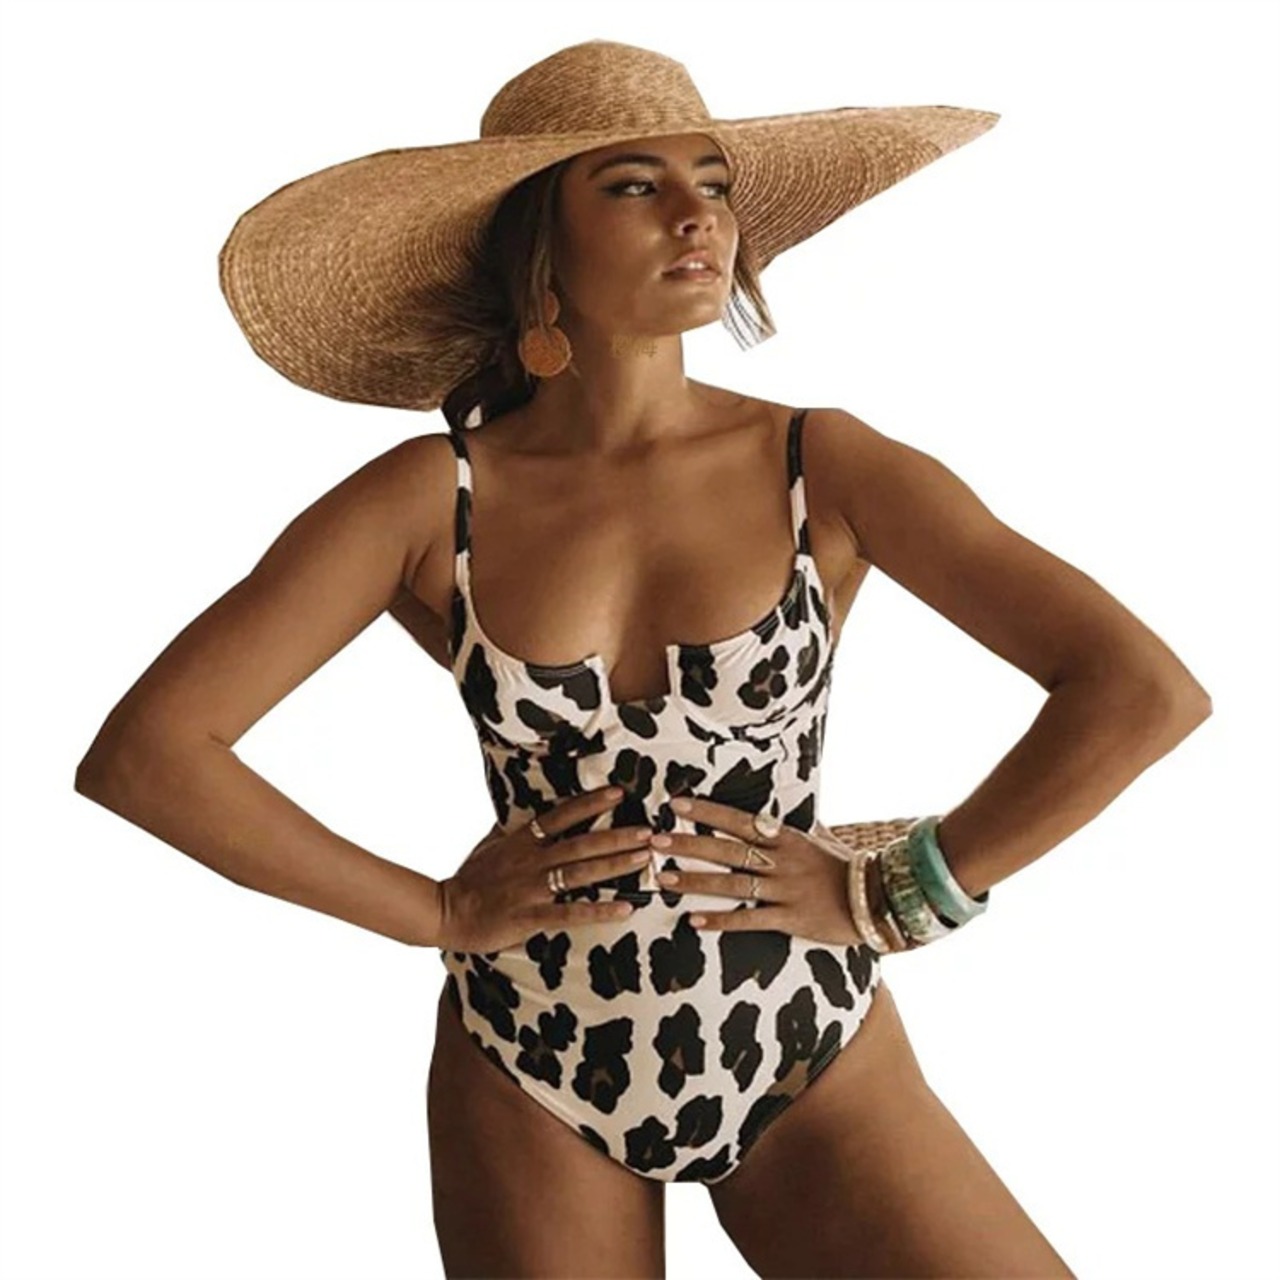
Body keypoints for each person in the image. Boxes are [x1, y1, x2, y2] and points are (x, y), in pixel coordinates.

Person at [75, 39, 1211, 1280]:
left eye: (711, 183)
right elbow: (149, 756)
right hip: (526, 1056)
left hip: (802, 1041)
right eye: (632, 184)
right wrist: (434, 912)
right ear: (536, 241)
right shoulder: (430, 497)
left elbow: (1138, 689)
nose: (695, 216)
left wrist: (904, 888)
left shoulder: (820, 463)